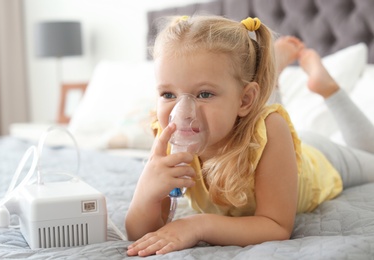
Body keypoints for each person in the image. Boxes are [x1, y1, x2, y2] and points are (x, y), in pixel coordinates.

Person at [125, 15, 374, 256]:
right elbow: (140, 233)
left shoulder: (270, 129)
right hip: (263, 134)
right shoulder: (167, 138)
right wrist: (145, 191)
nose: (182, 113)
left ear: (245, 99)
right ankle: (271, 76)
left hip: (320, 160)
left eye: (204, 94)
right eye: (168, 94)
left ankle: (329, 89)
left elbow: (276, 226)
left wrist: (197, 225)